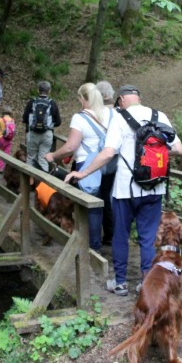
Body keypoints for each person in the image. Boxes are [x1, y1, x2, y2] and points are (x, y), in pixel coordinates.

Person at [65, 85, 182, 296]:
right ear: (139, 98)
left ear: (121, 100)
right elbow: (178, 149)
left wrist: (83, 173)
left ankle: (120, 283)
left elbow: (108, 153)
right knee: (147, 238)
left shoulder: (119, 118)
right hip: (154, 187)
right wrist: (153, 154)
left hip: (126, 189)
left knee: (121, 235)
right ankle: (146, 283)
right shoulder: (160, 116)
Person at [44, 83, 107, 251]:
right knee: (104, 204)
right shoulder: (109, 114)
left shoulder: (80, 118)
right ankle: (105, 240)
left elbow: (71, 146)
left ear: (84, 98)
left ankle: (91, 247)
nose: (79, 102)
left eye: (79, 99)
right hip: (107, 164)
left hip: (86, 165)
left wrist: (53, 156)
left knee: (88, 207)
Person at [95, 81, 117, 246]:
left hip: (100, 161)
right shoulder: (120, 114)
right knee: (111, 196)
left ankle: (96, 236)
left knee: (99, 197)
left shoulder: (96, 114)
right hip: (118, 161)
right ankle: (112, 233)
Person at [22, 81, 61, 172]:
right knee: (43, 159)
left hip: (33, 134)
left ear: (38, 90)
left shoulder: (32, 102)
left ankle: (29, 179)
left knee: (31, 158)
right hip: (47, 135)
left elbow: (25, 119)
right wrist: (49, 125)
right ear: (49, 91)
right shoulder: (52, 103)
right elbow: (58, 122)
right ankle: (42, 180)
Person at [0, 106, 16, 172]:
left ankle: (1, 168)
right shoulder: (12, 120)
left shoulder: (0, 119)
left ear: (3, 112)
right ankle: (6, 167)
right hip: (9, 139)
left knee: (1, 152)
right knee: (7, 153)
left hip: (1, 138)